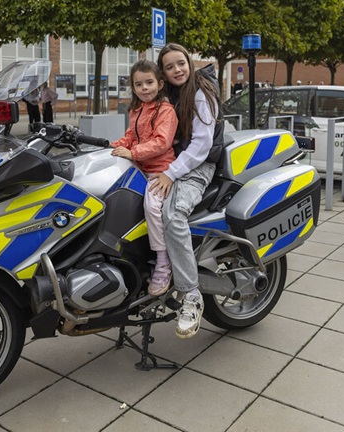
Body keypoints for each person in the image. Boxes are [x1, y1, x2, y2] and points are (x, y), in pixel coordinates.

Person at [152, 43, 222, 339]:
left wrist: (170, 173)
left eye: (180, 63)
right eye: (169, 67)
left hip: (198, 166)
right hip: (174, 162)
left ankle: (191, 295)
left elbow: (202, 145)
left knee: (173, 214)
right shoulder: (169, 94)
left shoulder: (201, 92)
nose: (177, 70)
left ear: (189, 63)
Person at [110, 60, 178, 297]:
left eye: (149, 82)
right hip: (139, 167)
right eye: (139, 84)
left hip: (160, 171)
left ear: (160, 84)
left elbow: (161, 142)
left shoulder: (166, 111)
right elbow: (130, 136)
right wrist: (111, 147)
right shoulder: (136, 110)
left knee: (152, 206)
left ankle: (163, 262)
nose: (144, 88)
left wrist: (133, 153)